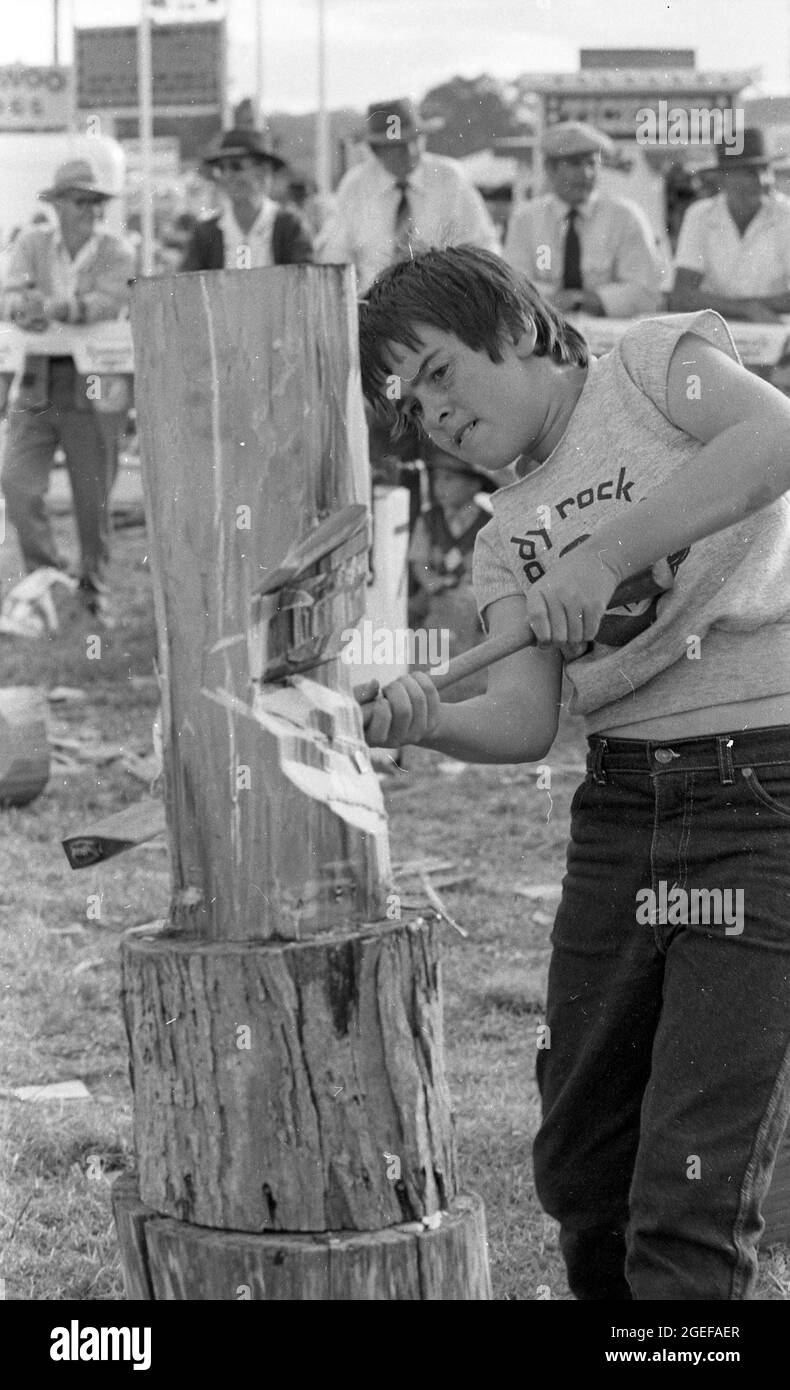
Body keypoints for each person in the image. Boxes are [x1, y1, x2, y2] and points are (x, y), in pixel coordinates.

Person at [355, 244, 790, 1301]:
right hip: (625, 810)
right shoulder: (506, 539)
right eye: (408, 402)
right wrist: (429, 719)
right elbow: (521, 717)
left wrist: (609, 552)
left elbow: (775, 435)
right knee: (581, 1161)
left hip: (766, 793)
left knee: (689, 1183)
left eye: (440, 370)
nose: (433, 413)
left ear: (514, 325)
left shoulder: (650, 367)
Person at [1, 159, 134, 626]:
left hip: (96, 379)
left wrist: (55, 307)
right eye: (80, 201)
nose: (90, 211)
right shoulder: (32, 243)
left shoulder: (117, 251)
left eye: (96, 202)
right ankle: (46, 578)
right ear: (57, 204)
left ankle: (93, 587)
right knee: (18, 482)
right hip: (38, 375)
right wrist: (22, 309)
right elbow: (7, 296)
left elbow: (109, 302)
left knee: (92, 493)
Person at [316, 97, 499, 293]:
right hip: (373, 306)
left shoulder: (450, 178)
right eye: (399, 145)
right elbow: (335, 254)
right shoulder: (355, 186)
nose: (410, 151)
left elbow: (483, 245)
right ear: (376, 150)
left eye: (415, 140)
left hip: (443, 304)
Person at [504, 121, 663, 317]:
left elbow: (645, 291)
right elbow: (513, 284)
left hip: (612, 332)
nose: (586, 174)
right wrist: (554, 301)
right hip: (544, 329)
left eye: (592, 164)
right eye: (575, 164)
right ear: (550, 168)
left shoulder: (626, 217)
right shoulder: (526, 219)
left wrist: (583, 301)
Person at [670, 127, 790, 322]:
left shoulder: (786, 215)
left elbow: (688, 297)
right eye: (749, 172)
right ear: (723, 178)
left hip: (773, 333)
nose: (762, 180)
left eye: (765, 169)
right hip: (716, 332)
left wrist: (737, 307)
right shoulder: (700, 215)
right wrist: (746, 309)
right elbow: (681, 296)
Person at [181, 128, 313, 271]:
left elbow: (304, 283)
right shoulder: (205, 232)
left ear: (263, 172)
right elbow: (189, 286)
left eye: (236, 166)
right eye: (221, 168)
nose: (227, 175)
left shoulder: (290, 226)